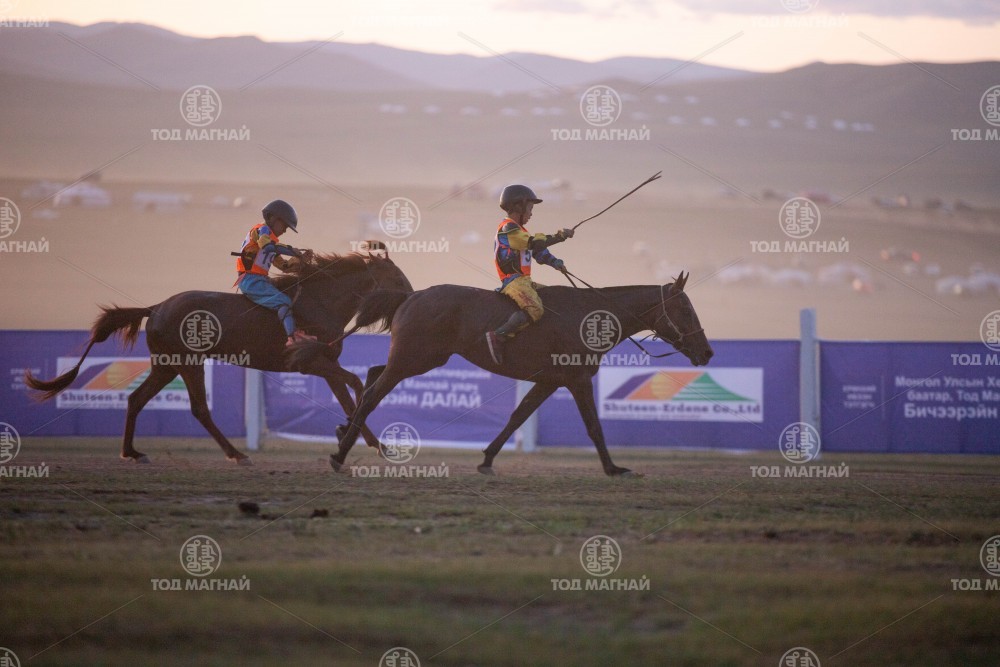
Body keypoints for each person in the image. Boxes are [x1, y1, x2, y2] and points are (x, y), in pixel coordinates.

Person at [485, 184, 574, 364]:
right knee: (535, 308)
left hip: (525, 281)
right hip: (513, 282)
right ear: (519, 207)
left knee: (554, 297)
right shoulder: (508, 228)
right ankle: (499, 336)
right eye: (530, 208)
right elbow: (534, 244)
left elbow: (538, 252)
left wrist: (555, 263)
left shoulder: (520, 232)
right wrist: (560, 236)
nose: (531, 213)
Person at [234, 199, 316, 347]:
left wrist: (301, 259)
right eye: (285, 225)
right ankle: (292, 338)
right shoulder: (262, 231)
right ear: (272, 218)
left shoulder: (273, 243)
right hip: (251, 281)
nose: (285, 230)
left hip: (260, 280)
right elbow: (266, 247)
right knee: (284, 302)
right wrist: (291, 250)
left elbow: (284, 266)